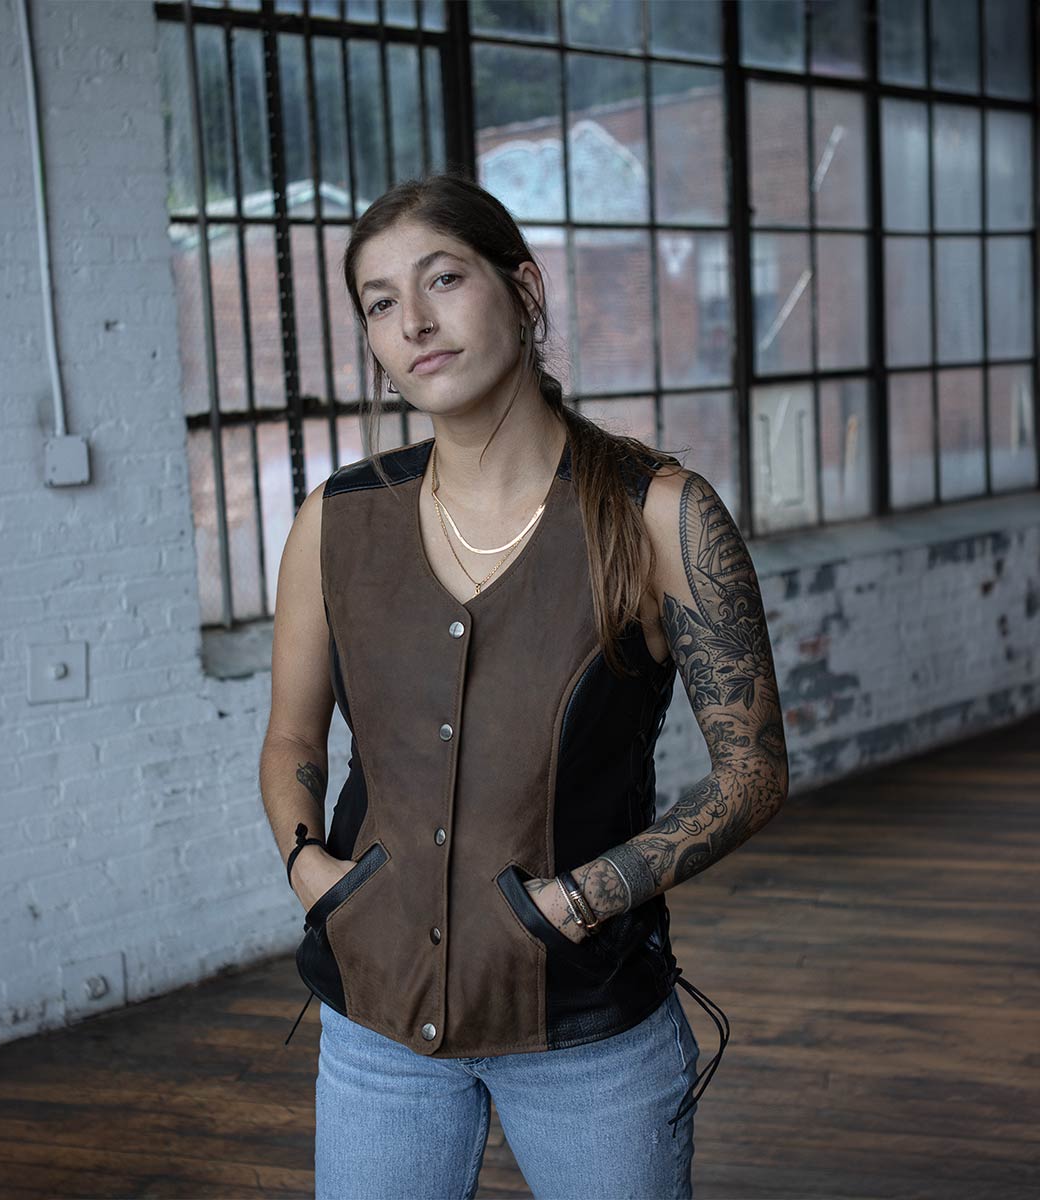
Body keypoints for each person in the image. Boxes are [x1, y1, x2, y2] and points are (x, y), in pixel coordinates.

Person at [260, 171, 790, 1200]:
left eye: (443, 279)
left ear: (525, 290)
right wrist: (309, 871)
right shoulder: (337, 519)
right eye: (379, 302)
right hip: (374, 1022)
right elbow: (291, 740)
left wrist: (580, 901)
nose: (414, 322)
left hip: (587, 1030)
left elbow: (753, 774)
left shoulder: (659, 515)